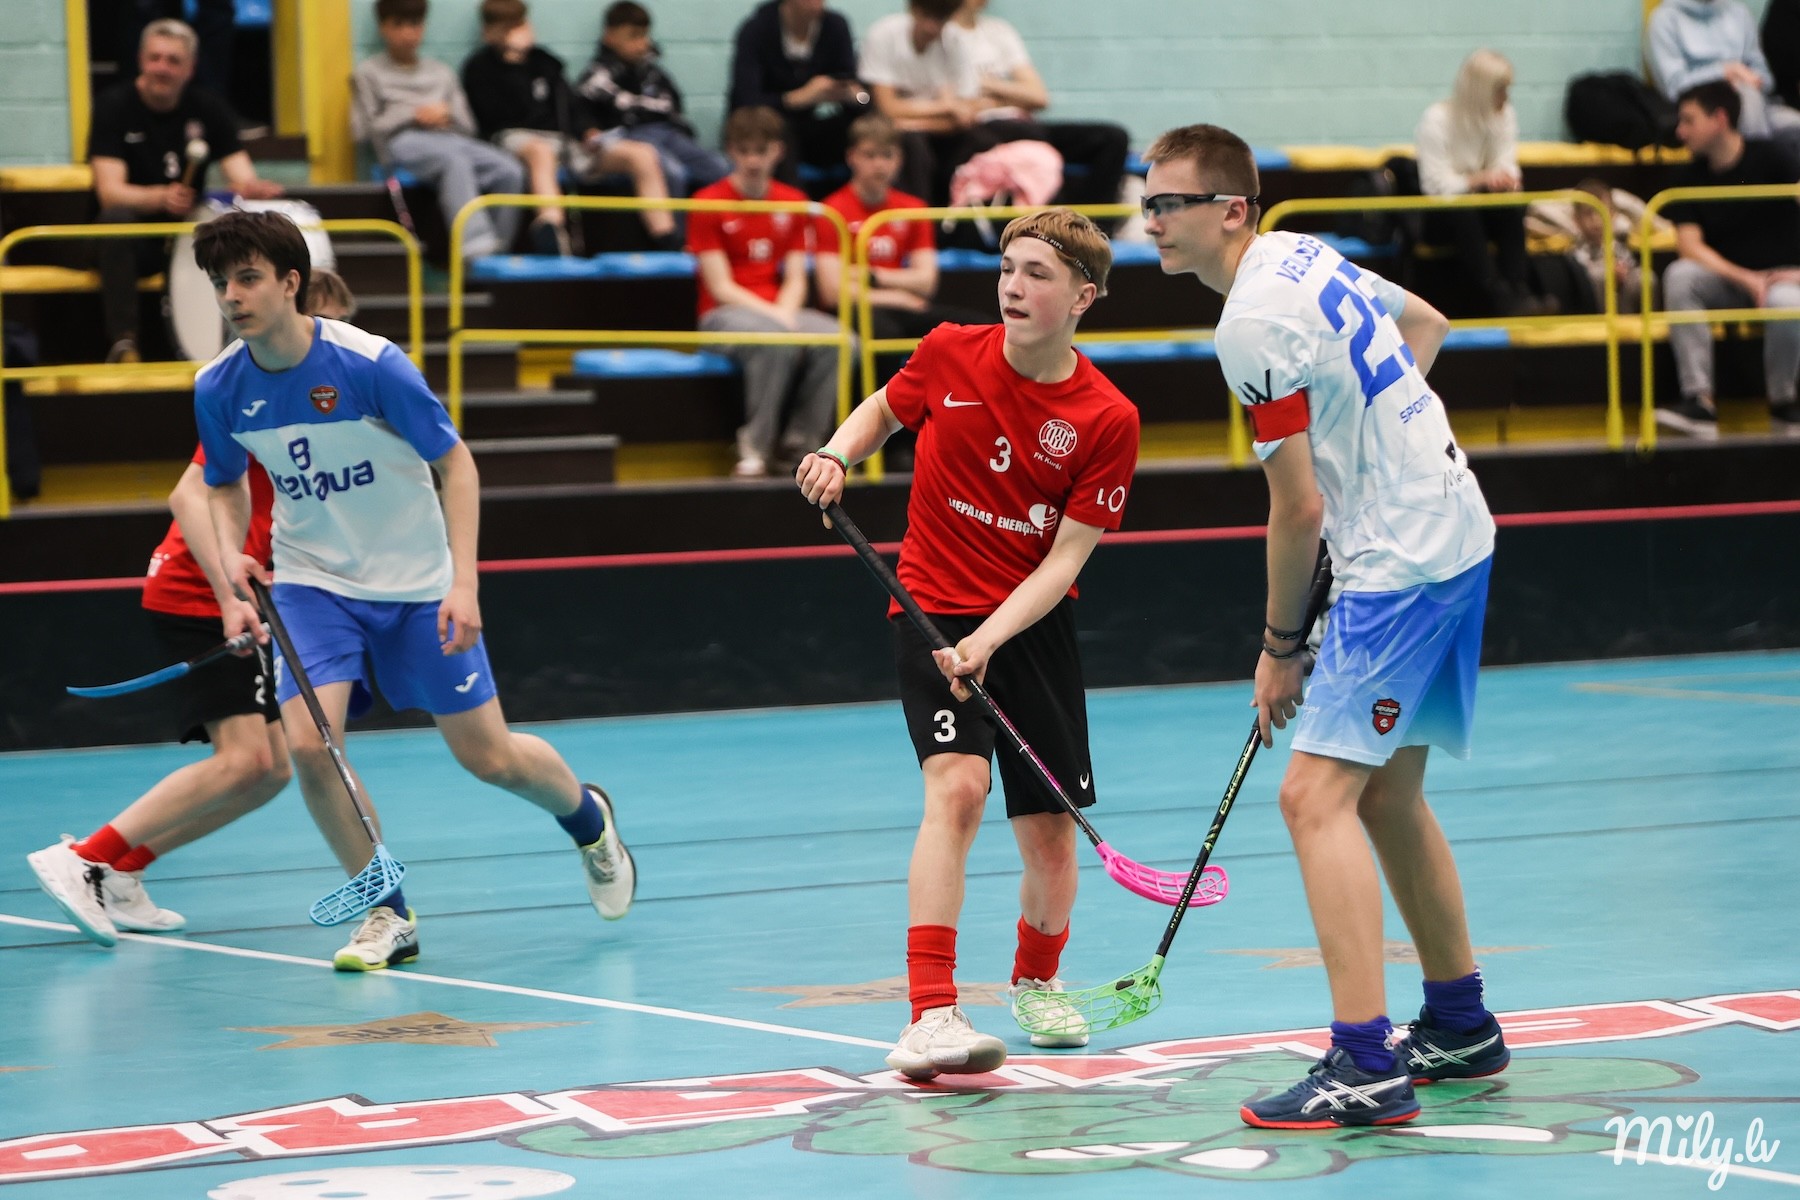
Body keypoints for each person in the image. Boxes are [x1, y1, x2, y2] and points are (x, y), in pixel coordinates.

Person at [1143, 123, 1508, 1129]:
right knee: (1384, 794)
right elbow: (1426, 324)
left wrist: (1280, 648)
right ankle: (1460, 1024)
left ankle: (1364, 1064)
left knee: (1312, 798)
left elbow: (1298, 508)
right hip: (1453, 528)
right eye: (1146, 203)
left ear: (1231, 210)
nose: (1151, 222)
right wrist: (1389, 461)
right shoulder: (1301, 254)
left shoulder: (1250, 323)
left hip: (1402, 565)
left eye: (1169, 204)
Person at [191, 210, 637, 971]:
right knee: (312, 747)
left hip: (419, 585)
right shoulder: (218, 387)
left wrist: (463, 582)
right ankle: (386, 911)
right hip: (311, 584)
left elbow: (455, 464)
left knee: (489, 757)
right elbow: (224, 483)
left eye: (248, 278)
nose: (232, 296)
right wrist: (234, 555)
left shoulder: (371, 365)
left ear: (291, 283)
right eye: (221, 283)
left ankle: (588, 819)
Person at [795, 208, 1139, 1081]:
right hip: (931, 610)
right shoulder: (949, 351)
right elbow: (884, 408)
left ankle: (1037, 982)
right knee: (957, 791)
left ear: (1083, 297)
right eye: (1008, 268)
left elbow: (1065, 562)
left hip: (1028, 626)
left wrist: (987, 641)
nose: (1013, 287)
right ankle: (931, 1013)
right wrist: (837, 452)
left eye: (1037, 274)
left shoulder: (1107, 417)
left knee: (1051, 837)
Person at [22, 269, 357, 947]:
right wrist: (229, 592)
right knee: (243, 761)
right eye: (335, 325)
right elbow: (187, 497)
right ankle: (84, 858)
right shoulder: (258, 396)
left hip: (246, 596)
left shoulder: (325, 406)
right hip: (199, 593)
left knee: (269, 771)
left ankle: (122, 870)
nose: (342, 341)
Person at [88, 18, 283, 364]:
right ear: (141, 60)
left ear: (190, 68)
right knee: (115, 221)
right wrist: (160, 197)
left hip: (188, 238)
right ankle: (124, 343)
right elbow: (110, 193)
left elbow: (240, 175)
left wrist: (254, 190)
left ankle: (235, 350)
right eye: (155, 58)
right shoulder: (112, 106)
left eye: (173, 60)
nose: (162, 68)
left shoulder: (208, 108)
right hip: (129, 241)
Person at [689, 106, 845, 478]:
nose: (753, 161)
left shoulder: (792, 201)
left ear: (778, 151)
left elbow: (795, 279)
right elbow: (720, 287)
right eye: (744, 151)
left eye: (761, 151)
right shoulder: (707, 202)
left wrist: (785, 314)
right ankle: (754, 449)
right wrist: (776, 318)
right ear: (731, 151)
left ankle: (802, 447)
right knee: (775, 340)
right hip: (723, 315)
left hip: (779, 310)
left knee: (841, 341)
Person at [461, 0, 679, 254]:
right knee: (541, 152)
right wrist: (513, 63)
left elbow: (570, 104)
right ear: (489, 32)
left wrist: (588, 130)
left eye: (518, 24)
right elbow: (495, 117)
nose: (514, 32)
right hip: (517, 138)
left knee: (642, 154)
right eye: (505, 27)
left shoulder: (545, 62)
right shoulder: (479, 67)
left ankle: (666, 237)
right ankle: (551, 227)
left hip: (564, 140)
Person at [1659, 81, 1800, 438]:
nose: (1680, 131)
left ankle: (1783, 402)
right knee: (1680, 275)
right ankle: (1699, 400)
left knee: (1787, 303)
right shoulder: (1687, 176)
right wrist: (1747, 279)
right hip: (1730, 281)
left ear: (1719, 119)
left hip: (1782, 280)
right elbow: (1690, 247)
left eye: (1689, 120)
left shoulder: (1775, 158)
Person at [353, 0, 527, 261]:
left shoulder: (441, 72)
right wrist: (412, 114)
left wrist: (447, 115)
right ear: (383, 28)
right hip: (403, 141)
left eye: (415, 24)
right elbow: (361, 131)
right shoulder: (368, 72)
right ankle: (476, 248)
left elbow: (469, 126)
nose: (408, 33)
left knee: (510, 169)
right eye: (398, 25)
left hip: (449, 137)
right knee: (453, 161)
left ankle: (498, 254)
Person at [813, 113, 988, 339]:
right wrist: (896, 296)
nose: (879, 164)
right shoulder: (831, 211)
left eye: (887, 155)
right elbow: (832, 292)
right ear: (851, 157)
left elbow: (926, 282)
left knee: (977, 328)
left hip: (901, 307)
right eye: (870, 155)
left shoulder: (913, 208)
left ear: (899, 159)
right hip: (856, 309)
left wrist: (869, 276)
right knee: (883, 332)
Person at [948, 0, 1129, 210]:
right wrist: (1011, 94)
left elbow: (1038, 97)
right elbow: (960, 108)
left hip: (1024, 125)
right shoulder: (943, 36)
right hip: (983, 130)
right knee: (1021, 134)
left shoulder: (998, 31)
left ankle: (1092, 223)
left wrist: (989, 86)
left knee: (1113, 138)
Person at [1414, 49, 1548, 318]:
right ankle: (1498, 295)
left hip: (1480, 209)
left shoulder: (1504, 114)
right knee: (1461, 209)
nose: (1506, 97)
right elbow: (1434, 186)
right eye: (1500, 90)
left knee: (1511, 206)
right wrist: (1479, 179)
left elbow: (1506, 163)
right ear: (1481, 91)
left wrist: (1505, 180)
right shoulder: (1436, 119)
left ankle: (1519, 289)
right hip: (1441, 216)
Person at [574, 2, 729, 200]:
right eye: (633, 36)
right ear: (610, 36)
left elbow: (674, 106)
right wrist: (588, 130)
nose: (642, 44)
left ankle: (731, 220)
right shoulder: (596, 77)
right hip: (631, 137)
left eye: (644, 35)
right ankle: (674, 222)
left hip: (669, 133)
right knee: (672, 172)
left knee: (720, 167)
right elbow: (581, 113)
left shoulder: (655, 74)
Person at [728, 0, 871, 181]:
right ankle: (792, 197)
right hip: (772, 124)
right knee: (780, 134)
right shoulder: (757, 29)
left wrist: (856, 96)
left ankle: (866, 194)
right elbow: (746, 100)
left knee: (866, 131)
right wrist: (798, 98)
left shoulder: (835, 26)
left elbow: (858, 91)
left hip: (810, 126)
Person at [1650, 0, 1800, 164]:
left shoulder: (1738, 13)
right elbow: (1674, 86)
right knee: (1748, 101)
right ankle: (1756, 173)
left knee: (1794, 125)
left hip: (1758, 102)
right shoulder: (1665, 19)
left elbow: (1766, 79)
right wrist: (1725, 73)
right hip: (1704, 106)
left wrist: (1750, 79)